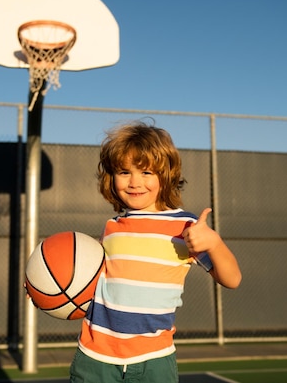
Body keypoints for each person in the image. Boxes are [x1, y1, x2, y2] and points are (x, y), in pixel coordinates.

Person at [70, 120, 241, 382]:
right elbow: (91, 281)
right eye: (124, 172)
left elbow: (232, 279)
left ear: (166, 175)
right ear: (111, 177)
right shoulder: (112, 227)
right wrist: (44, 285)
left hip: (153, 361)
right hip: (95, 358)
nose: (134, 182)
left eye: (147, 172)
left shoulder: (185, 226)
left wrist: (214, 243)